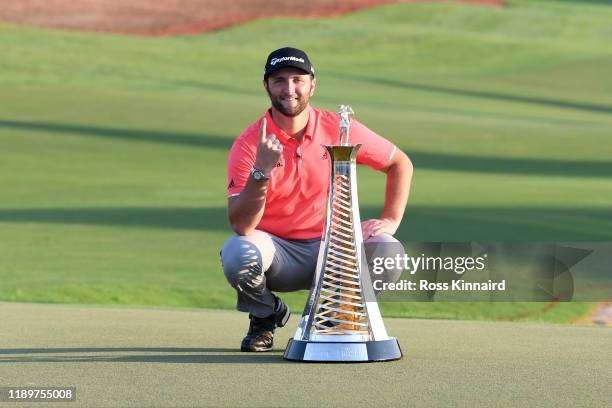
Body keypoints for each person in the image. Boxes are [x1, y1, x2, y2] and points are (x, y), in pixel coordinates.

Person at [220, 47, 413, 352]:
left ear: (312, 84)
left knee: (390, 251)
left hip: (336, 250)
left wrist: (390, 220)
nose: (290, 89)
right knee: (237, 254)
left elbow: (399, 163)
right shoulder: (249, 143)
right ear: (266, 86)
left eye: (298, 79)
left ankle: (335, 319)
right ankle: (265, 314)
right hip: (279, 255)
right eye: (280, 80)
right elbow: (242, 225)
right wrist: (262, 171)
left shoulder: (338, 128)